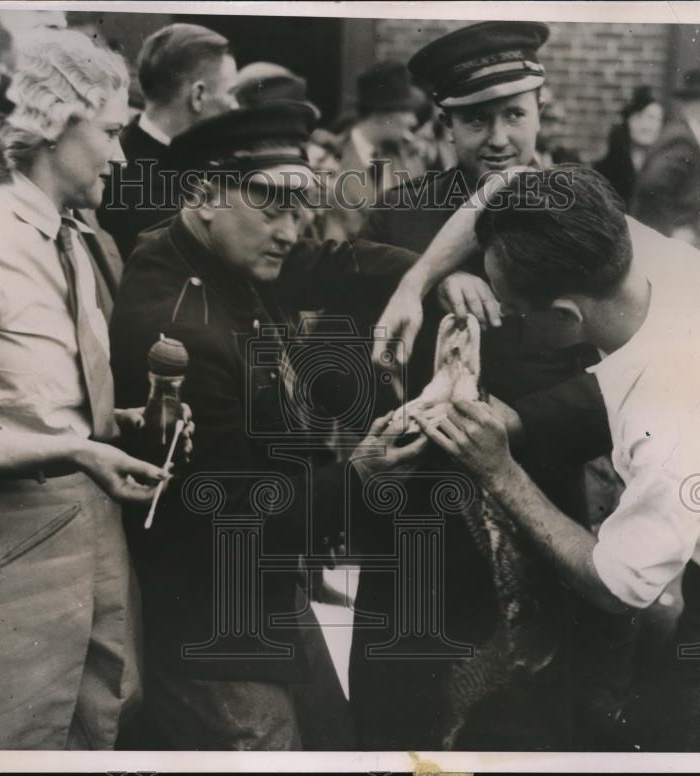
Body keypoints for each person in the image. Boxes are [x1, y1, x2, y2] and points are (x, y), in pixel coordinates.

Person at [414, 166, 700, 752]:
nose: (507, 316)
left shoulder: (673, 419)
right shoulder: (616, 241)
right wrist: (415, 282)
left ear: (567, 318)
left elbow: (619, 585)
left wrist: (502, 472)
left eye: (515, 311)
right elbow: (509, 182)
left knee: (676, 745)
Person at [108, 101, 428, 750]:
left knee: (338, 743)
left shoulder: (224, 254)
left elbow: (335, 265)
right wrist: (360, 469)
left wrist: (431, 278)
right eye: (274, 206)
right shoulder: (178, 324)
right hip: (212, 619)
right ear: (203, 194)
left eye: (300, 208)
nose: (291, 230)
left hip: (260, 590)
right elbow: (227, 517)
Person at [0, 30, 186, 749]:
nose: (123, 156)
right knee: (12, 735)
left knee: (102, 720)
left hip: (92, 524)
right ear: (55, 122)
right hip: (10, 536)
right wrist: (76, 449)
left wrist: (113, 425)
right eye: (113, 132)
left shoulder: (76, 236)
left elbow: (42, 389)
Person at [361, 21, 627, 750]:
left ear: (543, 111)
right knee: (414, 720)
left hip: (543, 488)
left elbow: (618, 373)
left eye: (515, 113)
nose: (499, 136)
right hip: (427, 516)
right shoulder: (399, 215)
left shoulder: (585, 208)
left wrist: (519, 422)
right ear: (443, 123)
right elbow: (352, 303)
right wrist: (436, 272)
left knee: (540, 715)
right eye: (477, 118)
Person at [96, 23, 239, 260]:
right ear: (198, 95)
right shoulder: (115, 177)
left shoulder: (212, 165)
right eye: (231, 93)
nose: (235, 106)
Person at [629, 68, 700, 246]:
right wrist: (670, 231)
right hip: (663, 249)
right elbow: (651, 187)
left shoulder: (686, 137)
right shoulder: (682, 140)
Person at [333, 61, 428, 237]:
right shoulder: (331, 158)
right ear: (382, 115)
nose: (413, 121)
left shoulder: (410, 160)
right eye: (407, 111)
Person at [594, 85, 665, 207]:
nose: (645, 126)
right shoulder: (607, 167)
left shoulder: (666, 165)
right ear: (628, 121)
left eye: (653, 119)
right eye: (639, 117)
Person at [534, 86, 582, 168]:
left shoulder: (568, 160)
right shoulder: (515, 163)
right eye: (549, 121)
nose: (557, 130)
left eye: (562, 122)